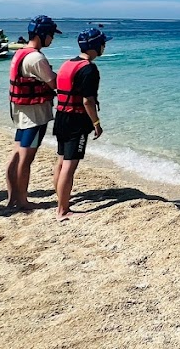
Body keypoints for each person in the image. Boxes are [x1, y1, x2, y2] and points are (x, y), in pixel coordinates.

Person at [3, 15, 63, 211]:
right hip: (35, 115)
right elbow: (54, 83)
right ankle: (22, 200)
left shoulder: (21, 53)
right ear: (42, 34)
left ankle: (12, 197)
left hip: (20, 112)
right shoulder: (36, 58)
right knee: (26, 158)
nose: (52, 39)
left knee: (16, 155)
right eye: (51, 35)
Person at [52, 27, 109, 221]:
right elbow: (87, 100)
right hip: (76, 120)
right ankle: (63, 210)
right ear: (95, 46)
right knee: (70, 164)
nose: (104, 46)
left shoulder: (68, 63)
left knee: (61, 160)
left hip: (61, 116)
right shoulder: (89, 69)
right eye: (103, 43)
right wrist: (96, 122)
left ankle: (60, 201)